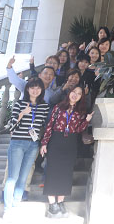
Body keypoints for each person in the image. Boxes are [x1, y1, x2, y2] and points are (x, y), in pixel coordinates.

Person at [40, 86, 93, 218]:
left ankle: (60, 201)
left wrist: (86, 120)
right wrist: (44, 143)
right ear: (69, 93)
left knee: (66, 173)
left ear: (81, 97)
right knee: (52, 172)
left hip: (70, 143)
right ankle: (52, 205)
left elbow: (79, 129)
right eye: (74, 92)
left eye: (79, 94)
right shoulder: (58, 107)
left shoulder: (80, 112)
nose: (75, 95)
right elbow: (49, 126)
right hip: (56, 141)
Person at [3, 78, 50, 218]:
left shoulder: (44, 106)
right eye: (32, 88)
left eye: (38, 88)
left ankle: (16, 204)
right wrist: (22, 113)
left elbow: (43, 126)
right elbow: (11, 126)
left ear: (42, 90)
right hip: (17, 143)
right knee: (12, 177)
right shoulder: (19, 104)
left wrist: (42, 142)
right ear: (27, 89)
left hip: (33, 145)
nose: (35, 90)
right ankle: (7, 209)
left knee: (23, 177)